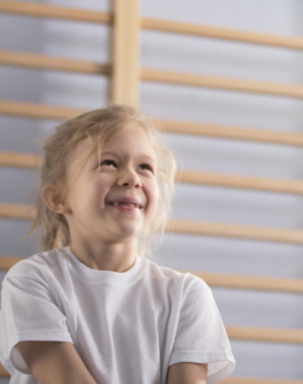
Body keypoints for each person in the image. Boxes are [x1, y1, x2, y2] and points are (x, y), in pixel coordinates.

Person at [0, 106, 235, 384]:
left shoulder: (187, 294)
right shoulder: (31, 281)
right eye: (108, 163)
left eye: (145, 167)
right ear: (58, 198)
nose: (132, 178)